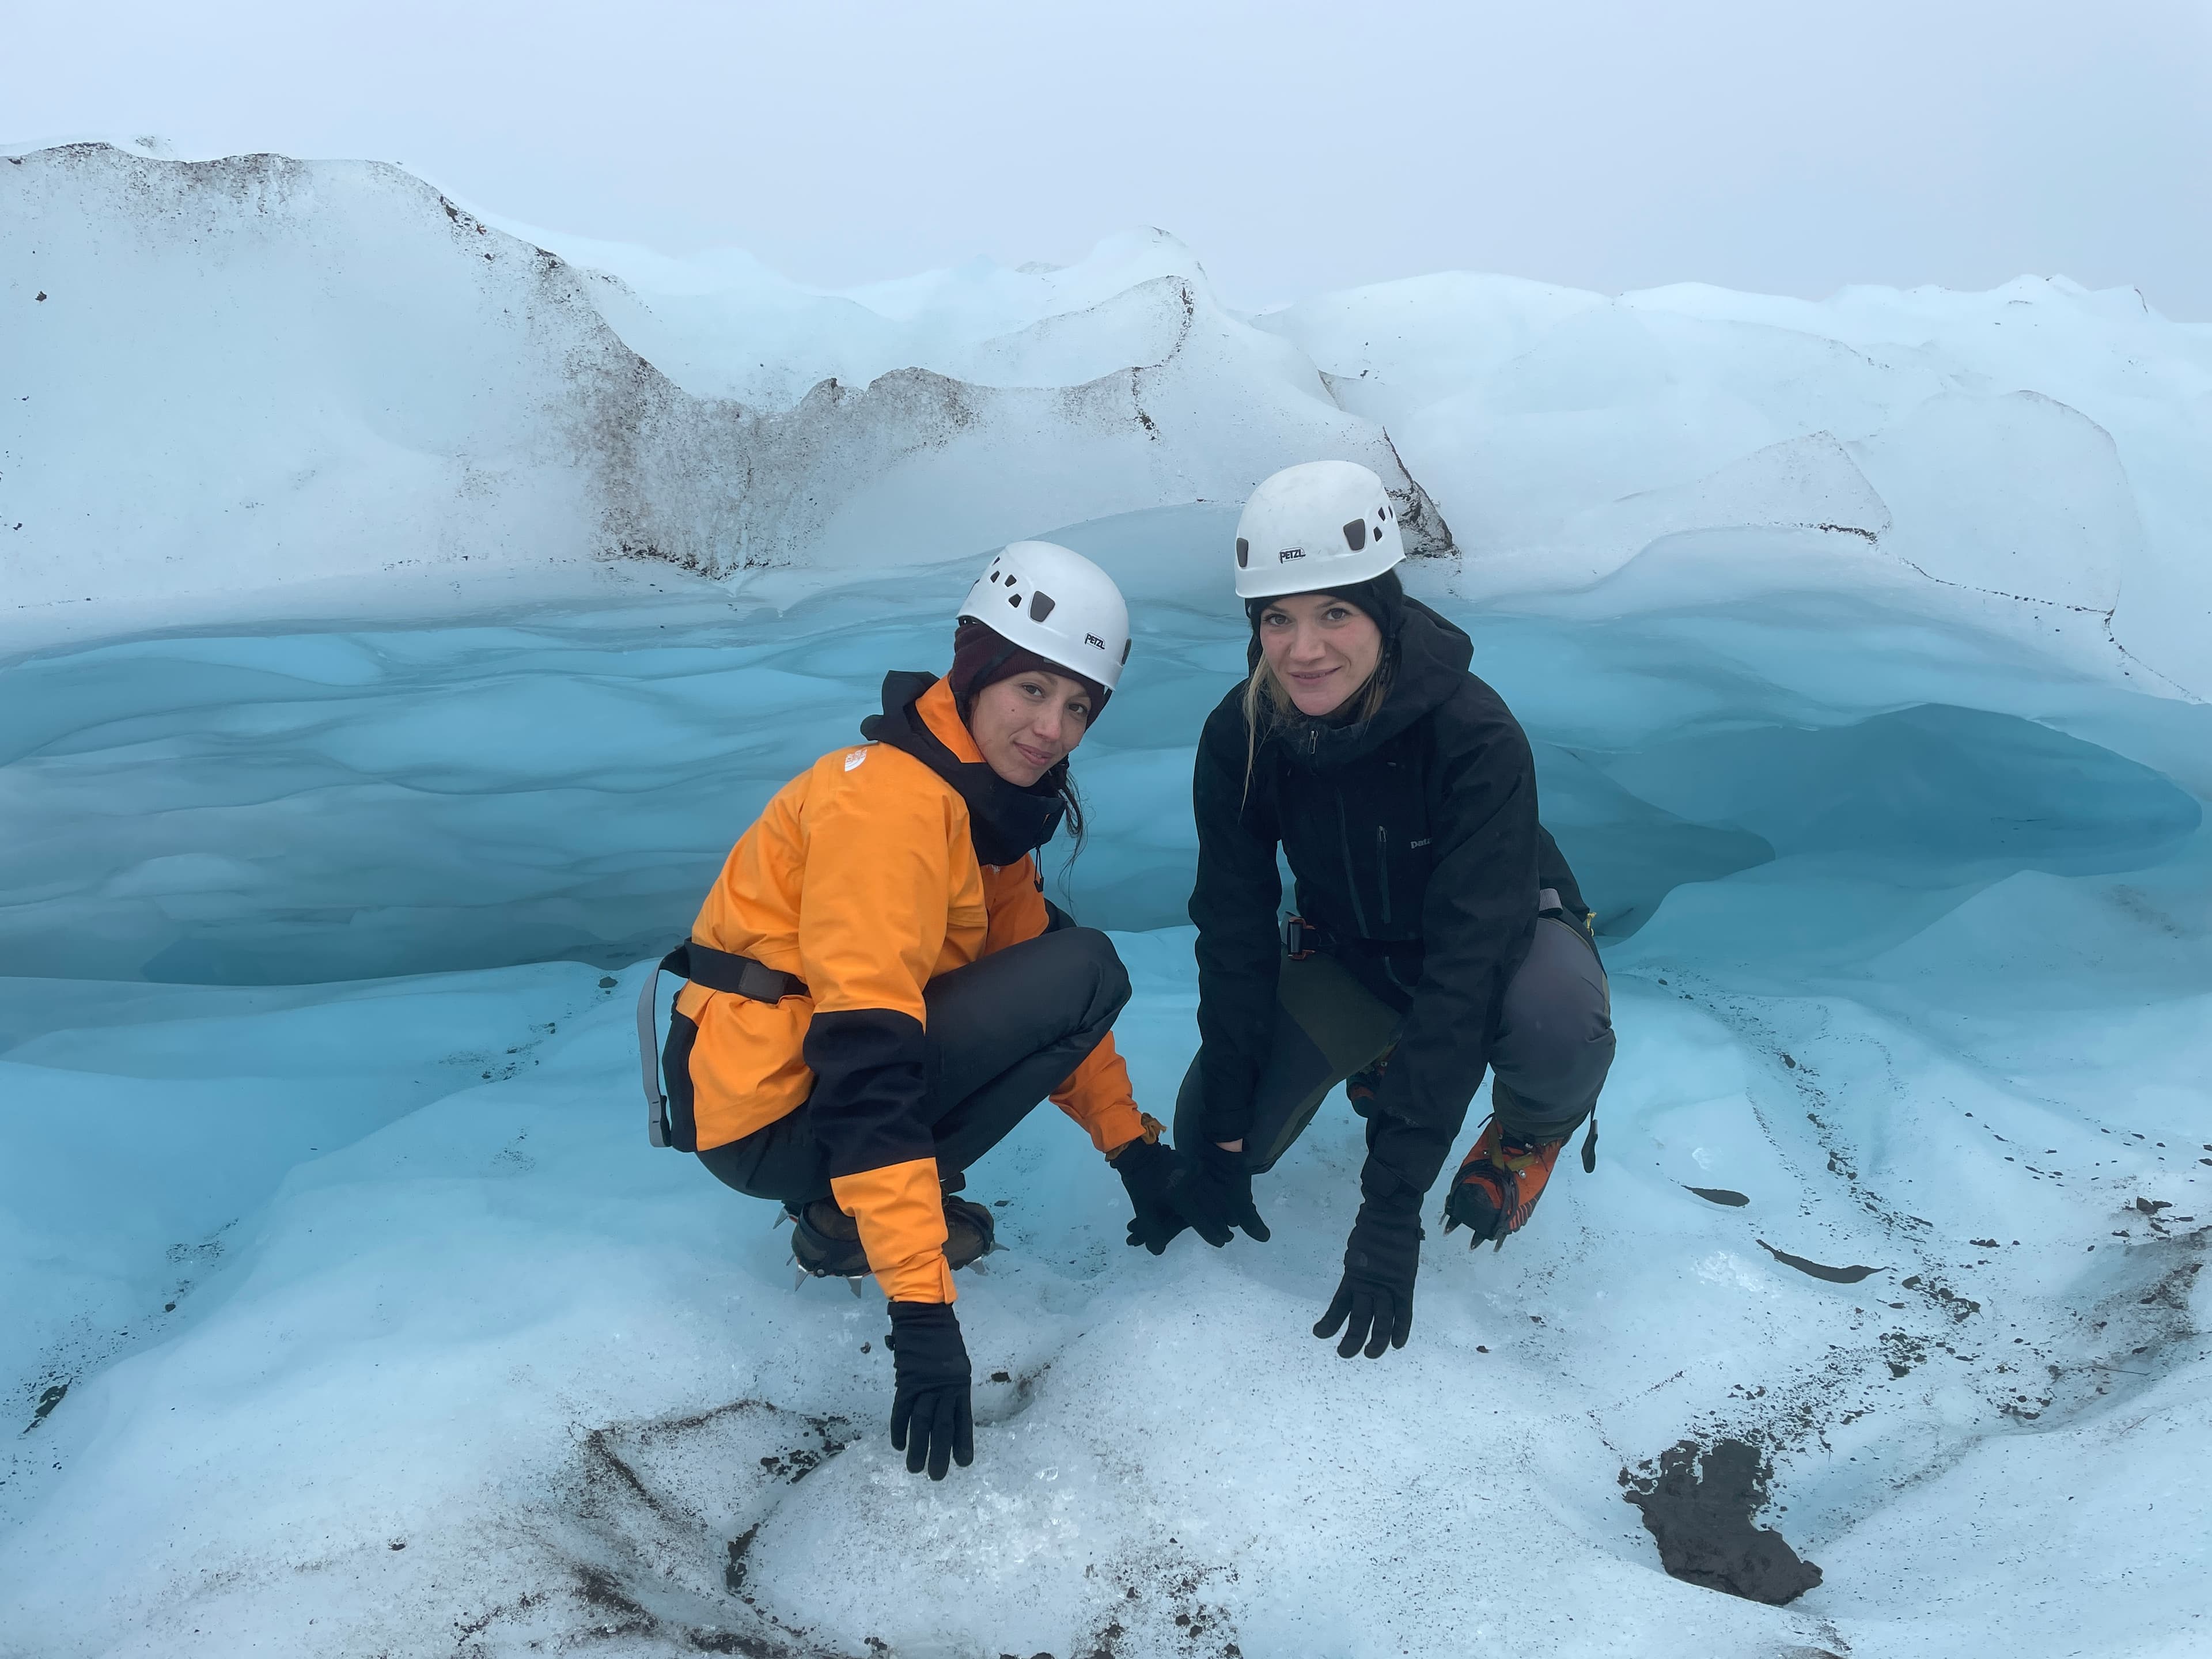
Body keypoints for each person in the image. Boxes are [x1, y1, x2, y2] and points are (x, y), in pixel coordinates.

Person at [637, 541, 1181, 1480]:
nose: (1053, 728)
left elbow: (1027, 976)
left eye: (1079, 706)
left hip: (794, 1090)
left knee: (1069, 967)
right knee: (1087, 967)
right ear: (976, 672)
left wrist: (1134, 1150)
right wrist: (923, 1314)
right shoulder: (890, 809)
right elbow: (870, 1053)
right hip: (772, 1113)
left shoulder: (980, 808)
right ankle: (849, 1214)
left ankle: (850, 1202)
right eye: (1033, 691)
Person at [1171, 460, 1616, 1360]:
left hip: (1499, 940)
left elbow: (1467, 967)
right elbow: (1233, 932)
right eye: (1278, 620)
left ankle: (1531, 1130)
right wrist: (1220, 1130)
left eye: (1335, 611)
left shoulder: (1475, 736)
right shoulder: (1244, 736)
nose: (1303, 650)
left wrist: (1390, 1211)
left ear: (1385, 611)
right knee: (1211, 1134)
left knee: (1555, 1021)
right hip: (1356, 952)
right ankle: (1377, 1050)